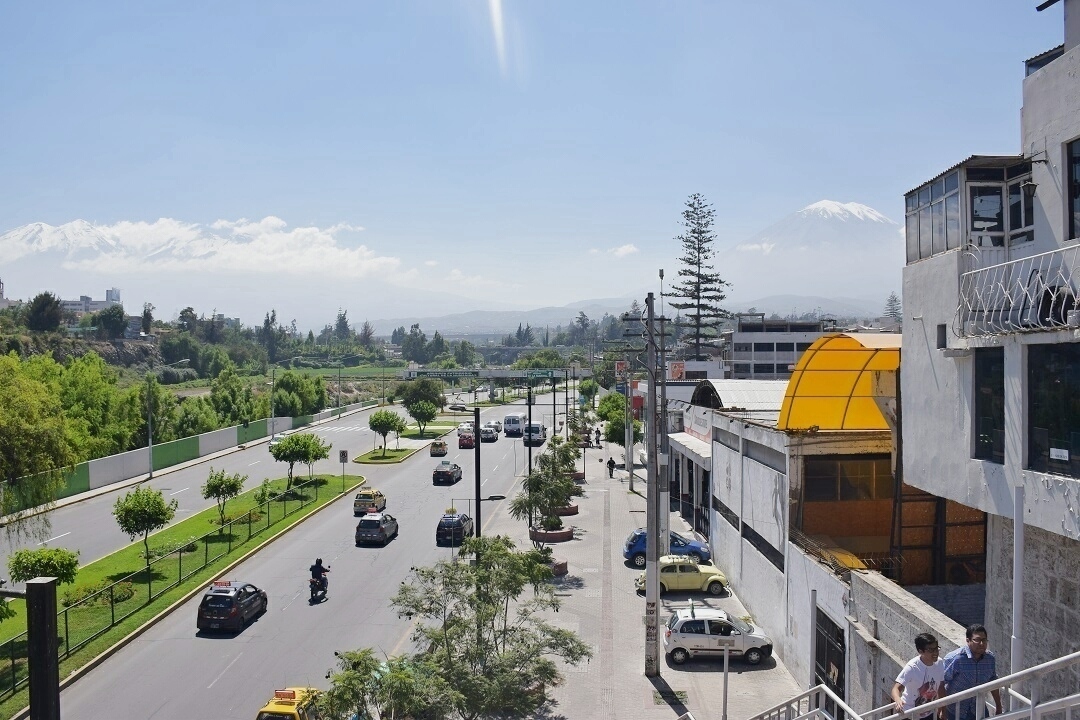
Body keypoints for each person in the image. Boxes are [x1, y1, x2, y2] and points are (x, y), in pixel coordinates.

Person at [941, 624, 1003, 720]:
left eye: (984, 640)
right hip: (956, 710)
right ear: (968, 640)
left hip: (979, 708)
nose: (982, 644)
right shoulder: (956, 659)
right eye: (977, 640)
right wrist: (942, 710)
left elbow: (993, 682)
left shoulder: (990, 659)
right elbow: (941, 683)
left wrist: (998, 706)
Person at [892, 632, 945, 719]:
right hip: (909, 714)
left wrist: (942, 709)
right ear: (920, 651)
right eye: (931, 650)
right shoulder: (912, 667)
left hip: (929, 712)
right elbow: (896, 688)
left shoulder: (940, 663)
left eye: (936, 649)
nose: (935, 653)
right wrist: (898, 700)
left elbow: (941, 687)